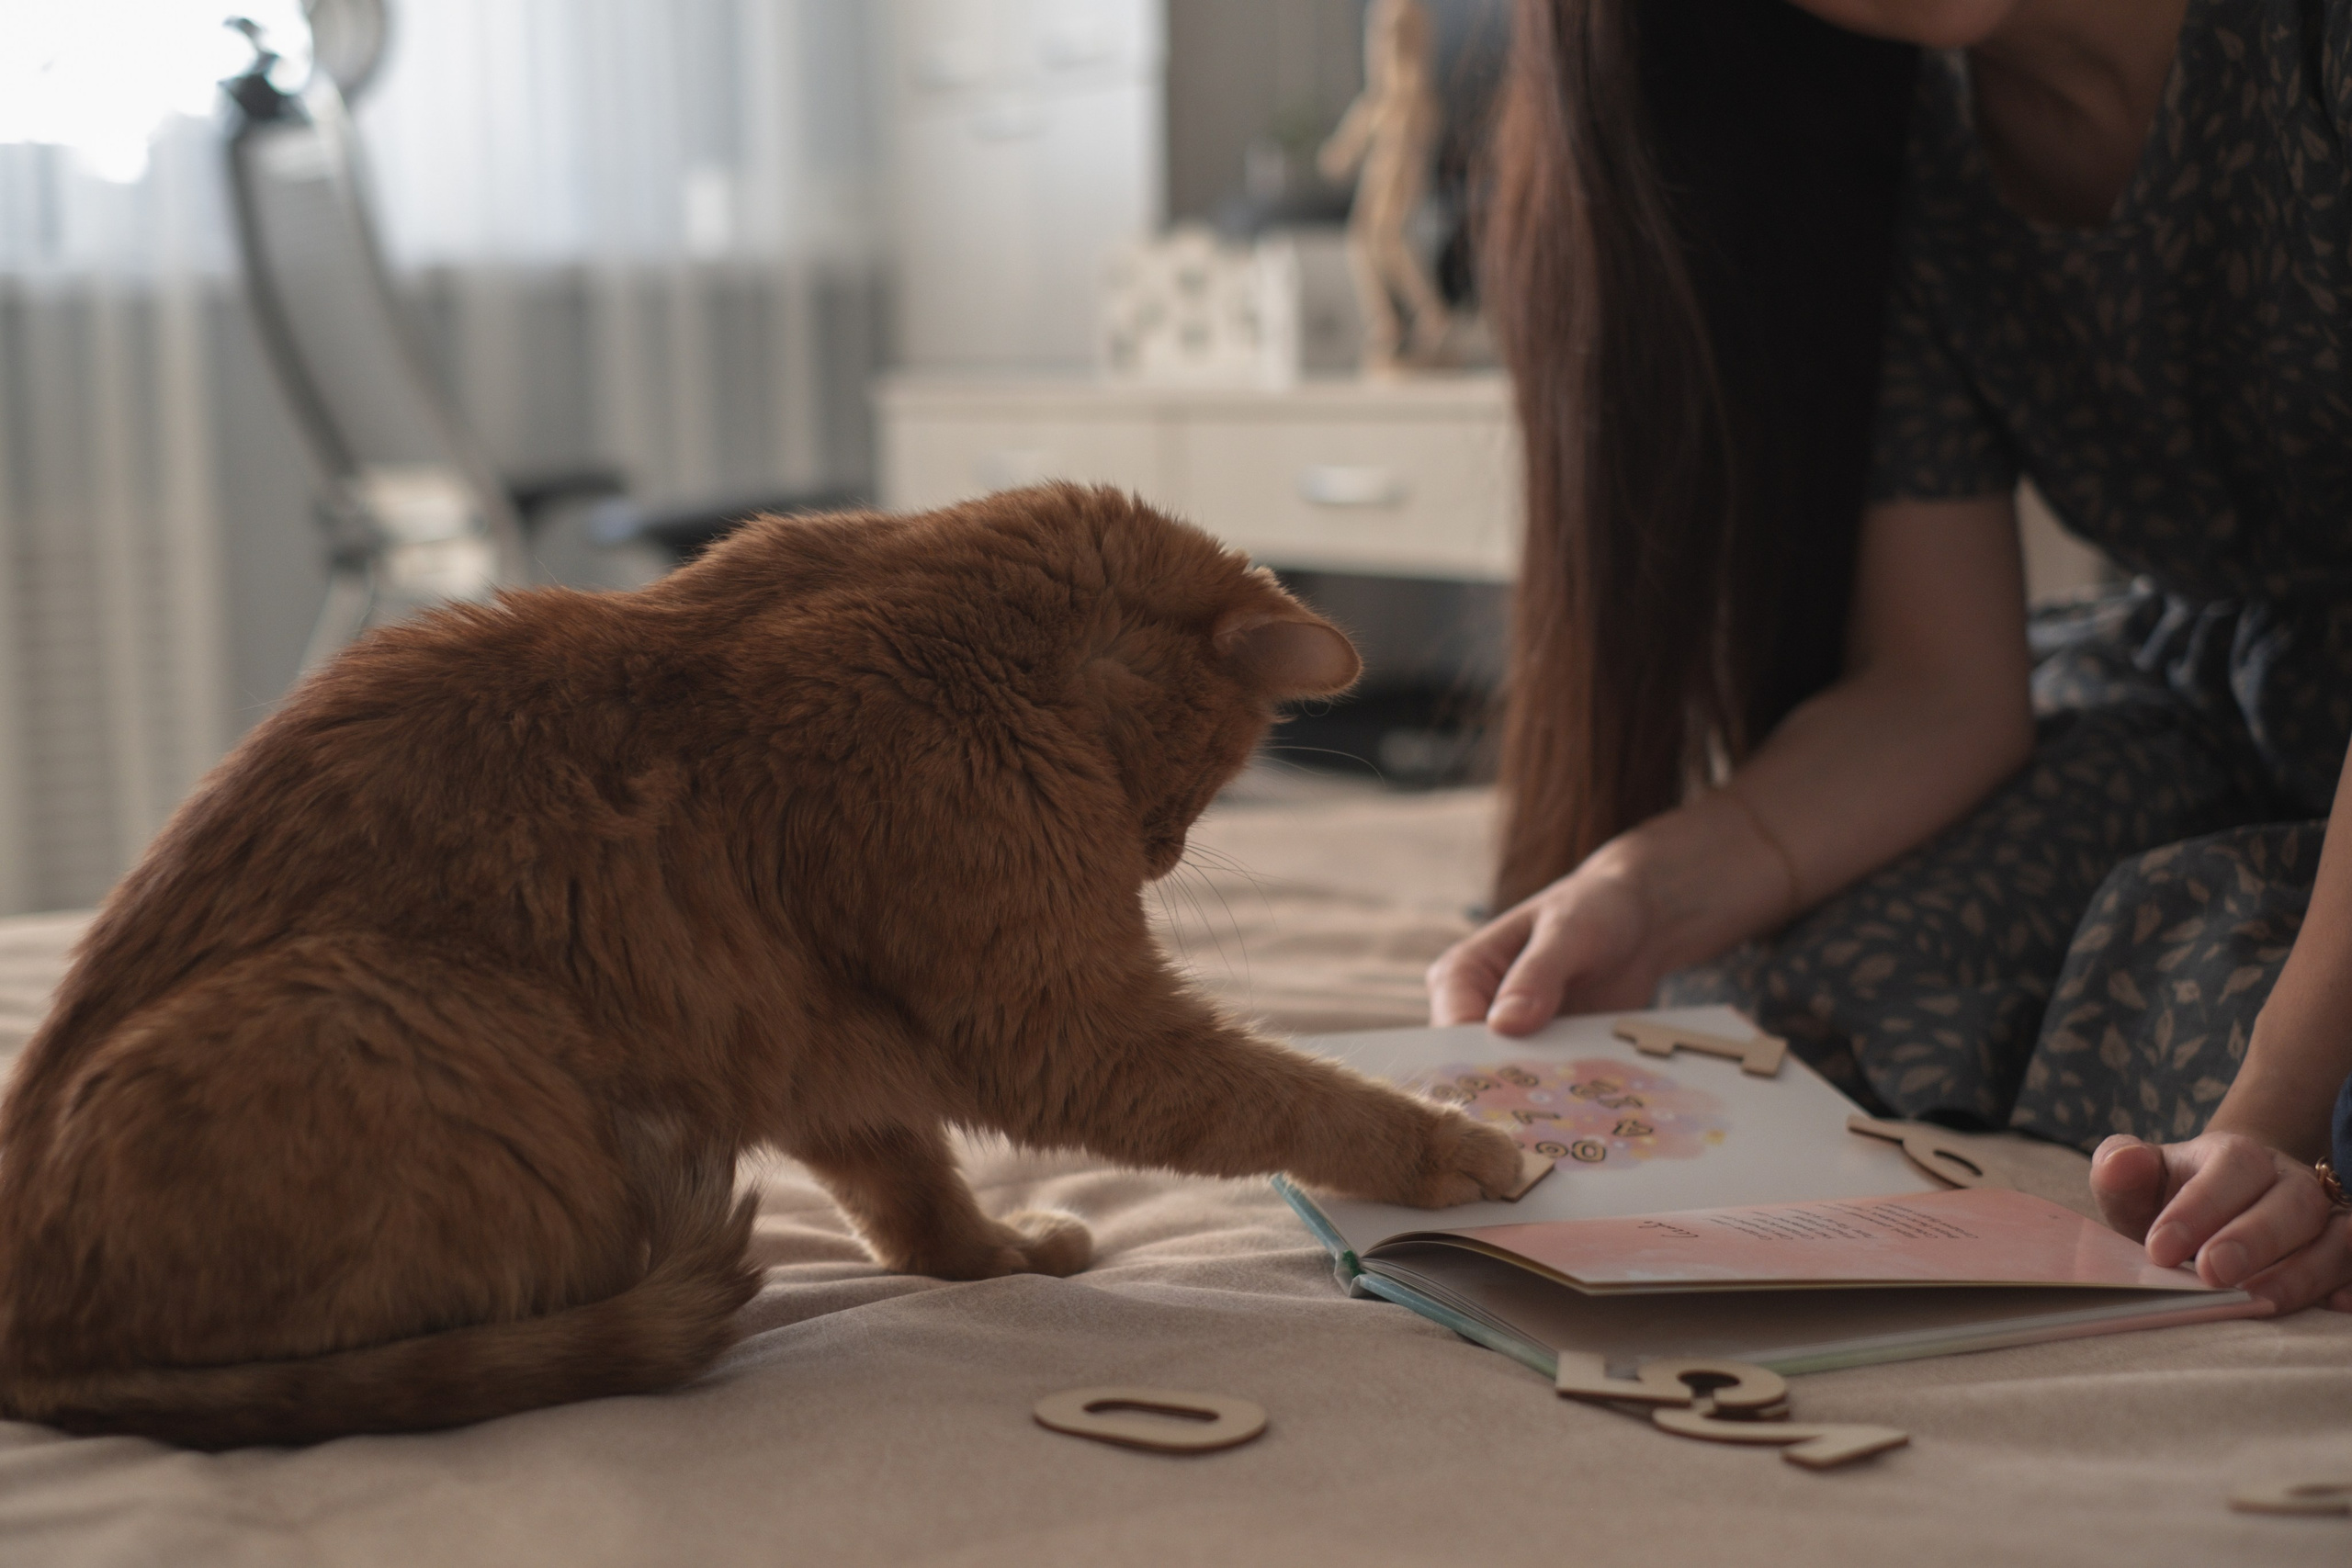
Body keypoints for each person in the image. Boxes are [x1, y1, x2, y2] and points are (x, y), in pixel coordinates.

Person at [1430, 0, 2352, 1314]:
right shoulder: (1903, 151)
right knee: (1778, 984)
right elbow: (1940, 690)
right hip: (2237, 693)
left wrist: (2276, 1105)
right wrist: (1645, 888)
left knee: (2280, 1049)